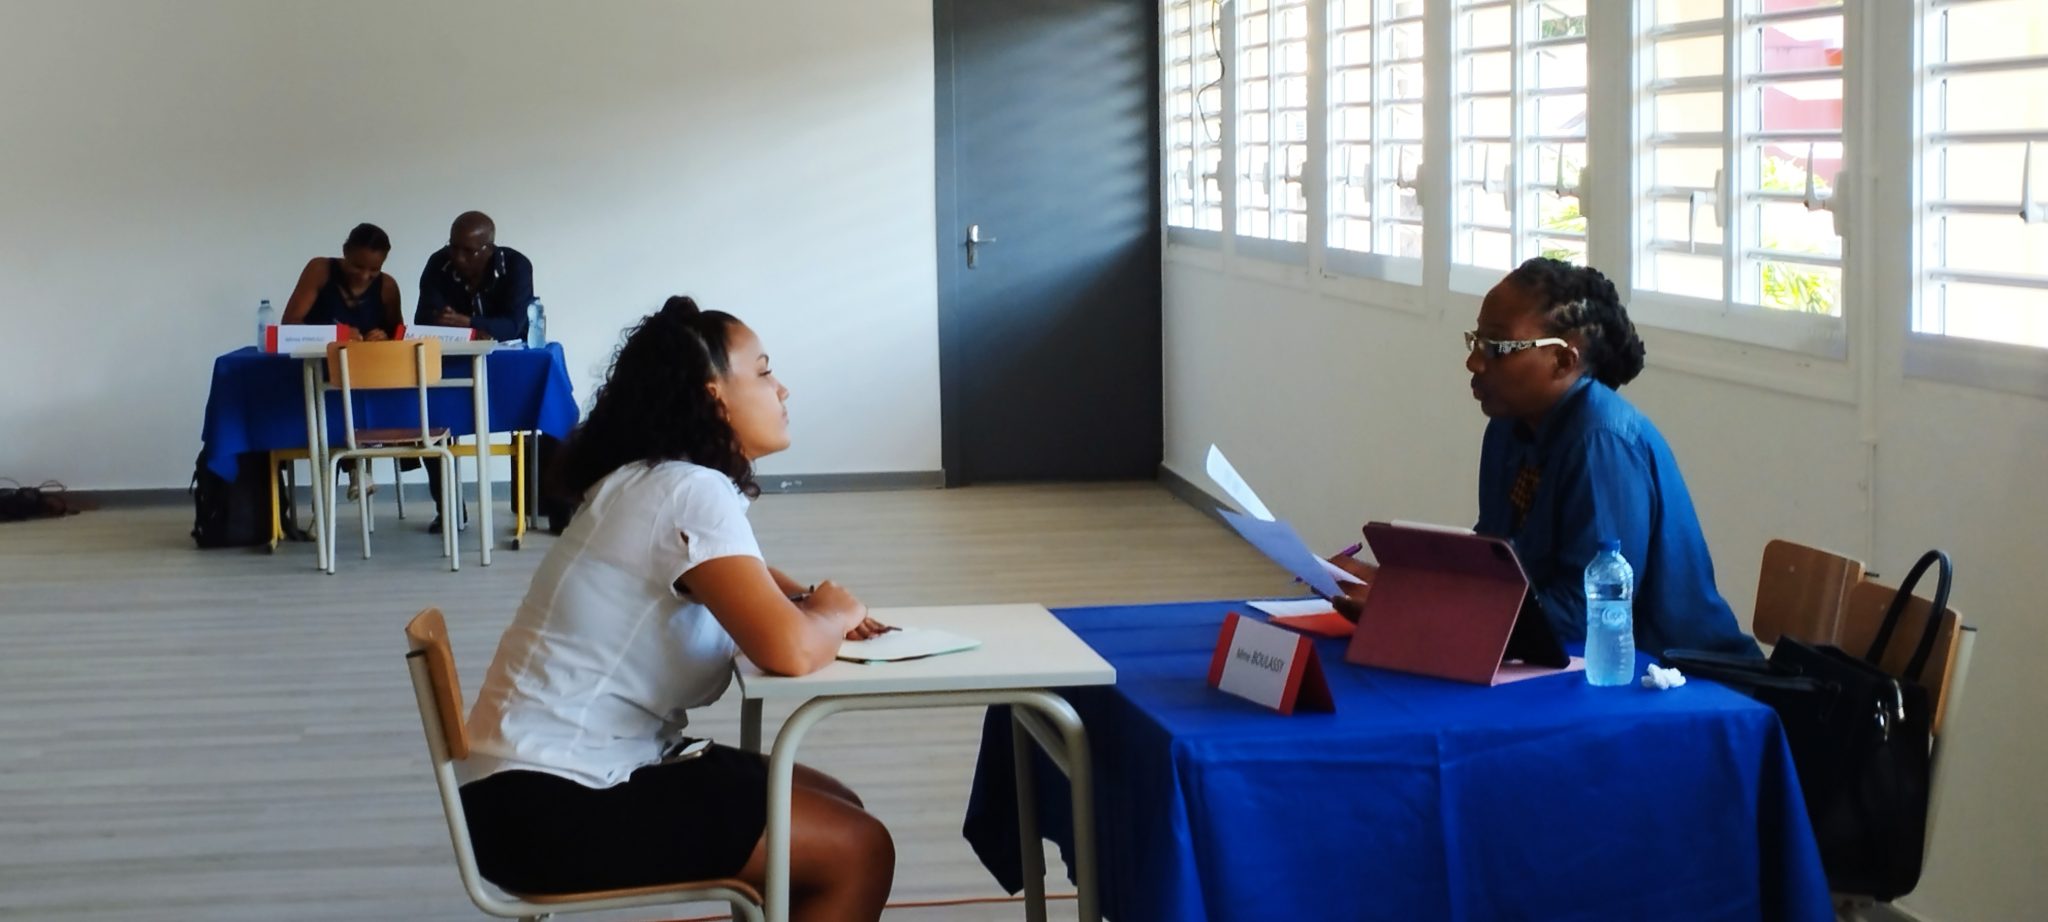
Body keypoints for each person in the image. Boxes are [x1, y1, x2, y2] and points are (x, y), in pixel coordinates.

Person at [457, 296, 896, 921]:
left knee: (837, 806)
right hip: (555, 801)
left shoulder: (654, 480)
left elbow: (735, 574)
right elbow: (792, 652)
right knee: (857, 848)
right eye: (765, 372)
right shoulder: (689, 491)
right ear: (714, 396)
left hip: (525, 783)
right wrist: (831, 612)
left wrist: (799, 599)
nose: (782, 389)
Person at [1331, 258, 1759, 659]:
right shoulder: (1509, 427)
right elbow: (1498, 568)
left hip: (1671, 677)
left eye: (1497, 347)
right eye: (1476, 341)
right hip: (1567, 663)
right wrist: (1398, 584)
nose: (1474, 361)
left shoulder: (1601, 442)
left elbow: (1588, 613)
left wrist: (1422, 611)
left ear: (1562, 360)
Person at [414, 210, 535, 531]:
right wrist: (479, 328)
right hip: (450, 364)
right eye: (453, 246)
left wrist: (468, 322)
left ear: (489, 248)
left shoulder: (516, 265)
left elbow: (514, 324)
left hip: (504, 366)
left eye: (468, 251)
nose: (457, 257)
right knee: (426, 418)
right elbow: (426, 320)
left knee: (545, 407)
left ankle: (542, 508)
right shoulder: (438, 263)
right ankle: (450, 509)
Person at [279, 223, 402, 340]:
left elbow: (399, 338)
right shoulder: (320, 270)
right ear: (345, 251)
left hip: (366, 355)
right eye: (357, 267)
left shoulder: (388, 287)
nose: (364, 276)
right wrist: (335, 335)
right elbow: (289, 325)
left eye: (374, 270)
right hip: (316, 354)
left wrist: (382, 338)